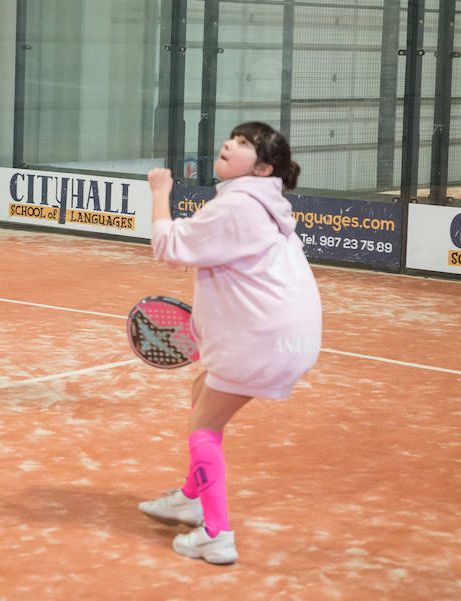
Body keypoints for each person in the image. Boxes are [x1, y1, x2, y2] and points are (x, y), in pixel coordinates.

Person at [138, 122, 322, 564]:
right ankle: (190, 496)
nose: (229, 144)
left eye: (244, 144)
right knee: (202, 391)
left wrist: (160, 191)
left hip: (263, 340)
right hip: (286, 335)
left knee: (204, 425)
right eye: (234, 137)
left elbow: (167, 248)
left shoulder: (238, 206)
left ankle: (215, 533)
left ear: (261, 169)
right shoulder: (263, 203)